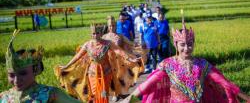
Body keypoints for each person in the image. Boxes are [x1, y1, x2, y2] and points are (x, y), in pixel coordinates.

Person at [121, 10, 250, 103]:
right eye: (182, 44)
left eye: (189, 44)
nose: (186, 48)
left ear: (194, 44)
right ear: (176, 45)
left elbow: (225, 83)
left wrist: (247, 98)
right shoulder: (168, 64)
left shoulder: (202, 64)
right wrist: (129, 98)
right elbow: (148, 84)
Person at [54, 24, 140, 102]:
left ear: (101, 33)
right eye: (93, 33)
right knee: (95, 93)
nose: (95, 35)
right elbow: (77, 56)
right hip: (92, 73)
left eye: (97, 33)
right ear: (91, 34)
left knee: (103, 92)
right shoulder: (87, 45)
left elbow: (118, 51)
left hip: (105, 72)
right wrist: (67, 65)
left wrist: (129, 59)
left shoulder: (107, 43)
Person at [0, 30, 81, 103]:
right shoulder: (3, 96)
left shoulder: (51, 94)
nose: (16, 81)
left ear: (36, 70)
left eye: (23, 73)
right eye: (11, 75)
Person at [102, 16, 146, 101]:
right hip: (109, 61)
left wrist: (138, 44)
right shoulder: (105, 37)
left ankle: (117, 93)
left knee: (118, 78)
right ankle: (115, 93)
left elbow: (129, 43)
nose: (112, 27)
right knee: (111, 78)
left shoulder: (120, 36)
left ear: (115, 26)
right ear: (108, 26)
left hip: (120, 61)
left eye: (113, 26)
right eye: (110, 26)